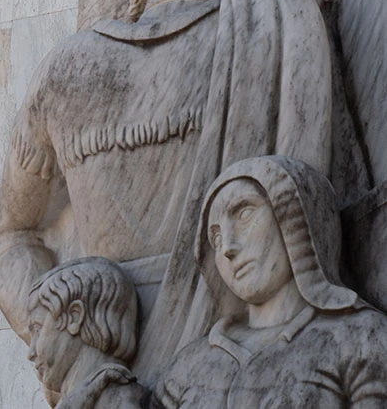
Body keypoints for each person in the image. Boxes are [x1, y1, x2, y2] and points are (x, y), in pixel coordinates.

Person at [0, 0, 333, 375]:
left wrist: (60, 336)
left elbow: (12, 237)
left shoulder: (66, 69)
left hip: (109, 353)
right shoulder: (270, 21)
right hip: (237, 353)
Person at [153, 156, 387, 407]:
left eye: (244, 214)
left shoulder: (361, 339)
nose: (228, 248)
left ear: (297, 216)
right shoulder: (185, 368)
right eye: (217, 238)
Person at [27, 257, 147, 409]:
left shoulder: (118, 400)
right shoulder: (87, 397)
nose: (30, 352)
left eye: (37, 329)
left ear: (75, 317)